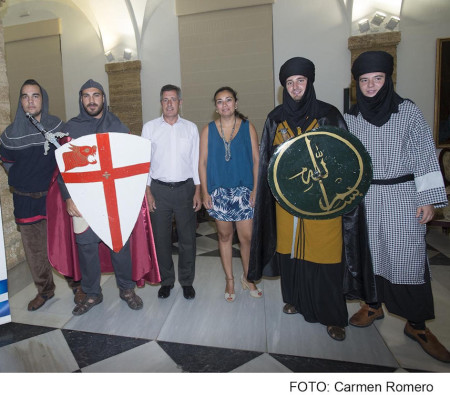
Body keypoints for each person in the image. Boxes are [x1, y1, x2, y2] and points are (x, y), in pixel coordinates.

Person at [248, 57, 374, 341]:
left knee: (326, 257)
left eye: (300, 81)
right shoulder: (275, 118)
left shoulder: (329, 116)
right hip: (287, 205)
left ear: (309, 83)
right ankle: (296, 300)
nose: (295, 88)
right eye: (289, 83)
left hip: (324, 205)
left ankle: (333, 316)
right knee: (292, 255)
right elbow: (268, 161)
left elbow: (345, 161)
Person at [344, 51, 450, 362]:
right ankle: (372, 306)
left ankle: (417, 326)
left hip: (403, 195)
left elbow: (425, 157)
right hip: (366, 198)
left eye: (377, 79)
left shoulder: (408, 113)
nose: (371, 85)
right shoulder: (352, 118)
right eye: (364, 80)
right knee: (370, 255)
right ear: (357, 84)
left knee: (408, 257)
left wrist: (428, 198)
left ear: (388, 79)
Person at [59, 79, 144, 315]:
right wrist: (68, 197)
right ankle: (92, 293)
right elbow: (63, 170)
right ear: (81, 99)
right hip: (82, 199)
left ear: (103, 98)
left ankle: (126, 289)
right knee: (86, 247)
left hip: (112, 199)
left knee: (119, 245)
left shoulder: (117, 125)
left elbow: (129, 164)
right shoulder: (71, 129)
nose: (91, 100)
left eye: (96, 95)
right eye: (86, 96)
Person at [0, 79, 83, 311]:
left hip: (53, 198)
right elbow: (6, 161)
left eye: (35, 96)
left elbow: (68, 159)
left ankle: (77, 286)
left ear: (42, 99)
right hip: (24, 200)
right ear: (20, 101)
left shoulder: (56, 126)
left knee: (63, 245)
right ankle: (44, 290)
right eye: (25, 96)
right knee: (34, 250)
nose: (30, 101)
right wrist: (19, 176)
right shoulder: (9, 135)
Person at [199, 87, 261, 302]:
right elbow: (202, 163)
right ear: (215, 107)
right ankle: (229, 280)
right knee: (225, 237)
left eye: (228, 100)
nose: (224, 105)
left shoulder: (247, 127)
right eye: (219, 101)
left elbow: (256, 160)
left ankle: (248, 277)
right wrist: (204, 191)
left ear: (236, 103)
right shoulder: (208, 130)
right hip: (218, 193)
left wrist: (255, 189)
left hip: (244, 191)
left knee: (247, 238)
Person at [141, 84, 201, 300]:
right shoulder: (149, 128)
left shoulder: (191, 128)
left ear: (180, 102)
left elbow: (195, 161)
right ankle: (166, 281)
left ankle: (186, 281)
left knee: (187, 239)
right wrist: (147, 191)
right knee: (161, 239)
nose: (169, 104)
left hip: (185, 189)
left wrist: (197, 190)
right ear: (160, 103)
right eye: (165, 100)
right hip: (159, 190)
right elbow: (144, 162)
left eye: (173, 99)